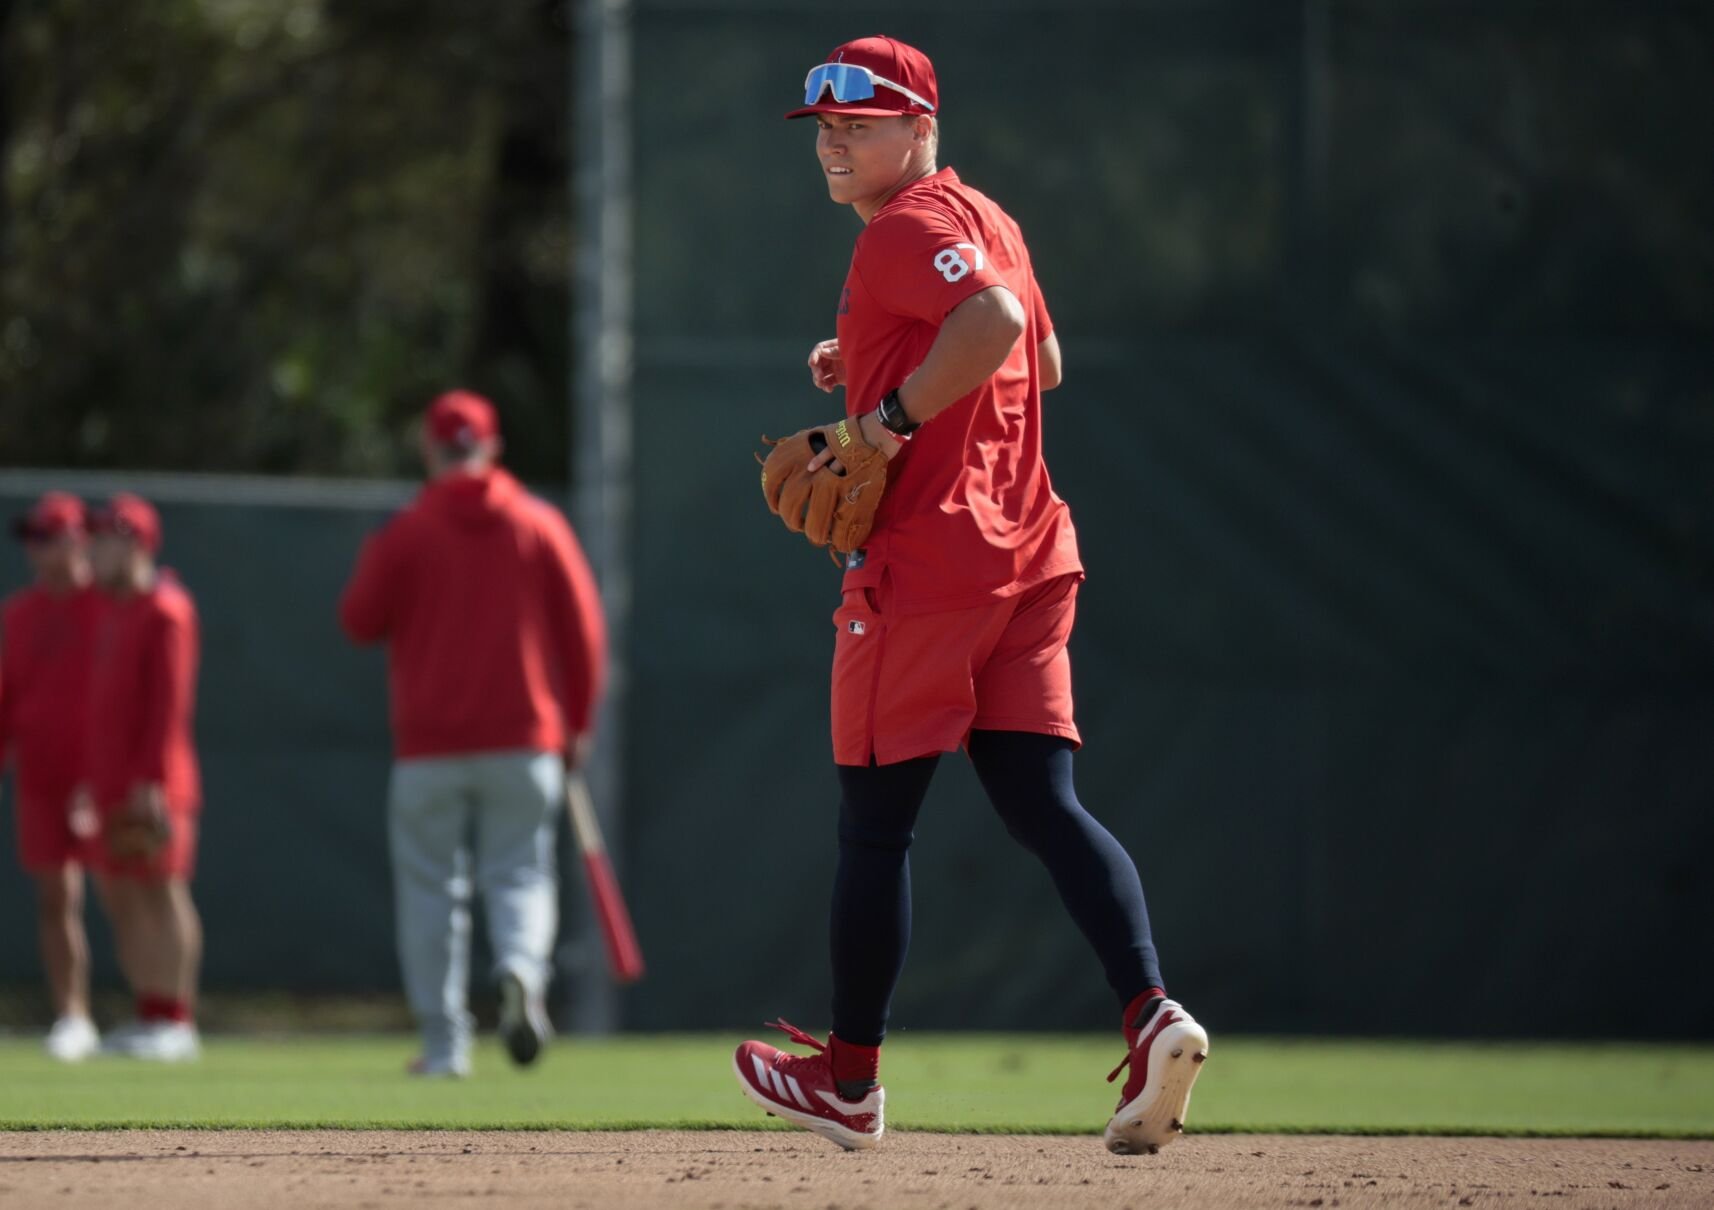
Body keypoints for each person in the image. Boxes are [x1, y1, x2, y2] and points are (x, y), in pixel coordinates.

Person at [732, 36, 1209, 1154]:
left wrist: (882, 420)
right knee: (1044, 803)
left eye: (864, 121)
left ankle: (849, 1079)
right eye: (826, 129)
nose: (837, 143)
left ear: (921, 127)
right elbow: (1035, 361)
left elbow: (990, 329)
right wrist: (870, 352)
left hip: (929, 567)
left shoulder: (903, 228)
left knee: (874, 830)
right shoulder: (986, 217)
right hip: (1031, 556)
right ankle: (1153, 1014)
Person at [340, 390, 607, 1077]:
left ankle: (443, 1043)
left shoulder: (408, 530)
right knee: (519, 875)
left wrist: (386, 552)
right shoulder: (538, 523)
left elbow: (358, 619)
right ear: (492, 448)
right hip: (524, 741)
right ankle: (521, 971)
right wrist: (579, 721)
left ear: (430, 451)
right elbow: (585, 633)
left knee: (432, 890)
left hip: (429, 746)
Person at [81, 493, 205, 1062]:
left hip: (154, 781)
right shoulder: (112, 610)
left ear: (136, 543)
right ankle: (149, 1011)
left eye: (107, 538)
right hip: (108, 777)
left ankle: (176, 1020)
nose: (96, 549)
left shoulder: (166, 608)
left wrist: (152, 778)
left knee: (161, 889)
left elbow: (169, 704)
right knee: (121, 893)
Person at [0, 493, 110, 1061]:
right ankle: (73, 1015)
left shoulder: (108, 605)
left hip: (106, 774)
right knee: (56, 895)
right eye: (33, 539)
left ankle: (161, 1015)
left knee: (130, 893)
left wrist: (104, 777)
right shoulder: (18, 614)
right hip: (41, 776)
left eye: (50, 537)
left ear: (78, 539)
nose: (38, 550)